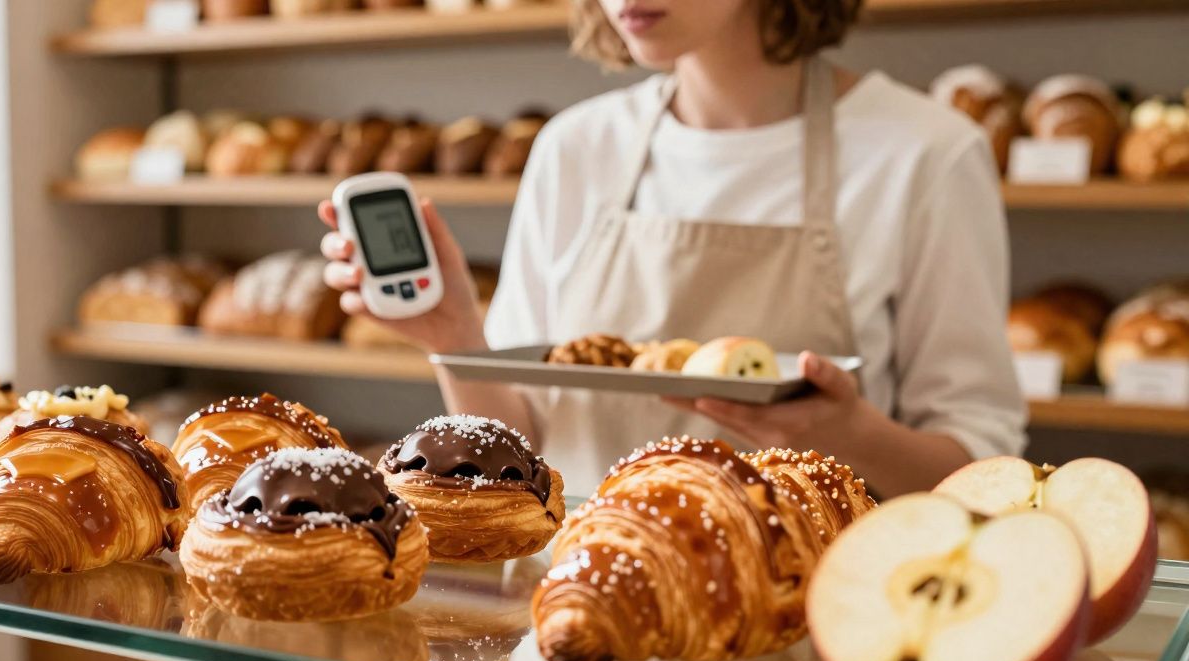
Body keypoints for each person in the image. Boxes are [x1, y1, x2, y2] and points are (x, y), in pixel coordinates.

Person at [319, 0, 1026, 497]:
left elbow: (983, 474)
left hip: (807, 641)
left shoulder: (925, 154)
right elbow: (519, 450)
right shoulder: (575, 148)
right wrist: (455, 337)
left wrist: (851, 435)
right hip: (576, 616)